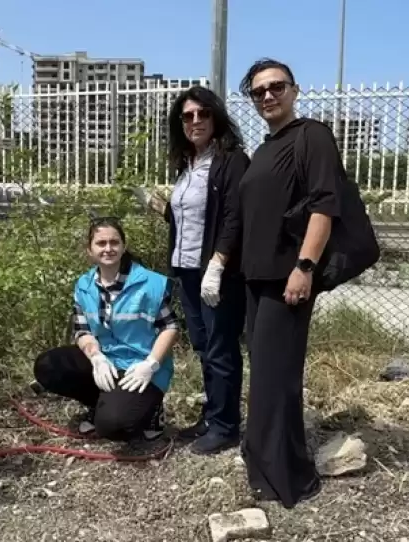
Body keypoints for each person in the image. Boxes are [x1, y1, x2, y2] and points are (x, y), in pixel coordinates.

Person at [237, 58, 344, 508]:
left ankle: (288, 475)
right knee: (264, 375)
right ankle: (261, 460)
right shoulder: (264, 148)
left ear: (294, 90)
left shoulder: (311, 135)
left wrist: (305, 266)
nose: (267, 96)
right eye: (258, 91)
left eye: (275, 87)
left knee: (277, 377)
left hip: (288, 279)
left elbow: (325, 205)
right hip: (255, 281)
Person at [127, 86, 249, 455]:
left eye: (202, 114)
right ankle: (212, 416)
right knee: (203, 347)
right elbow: (190, 219)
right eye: (187, 116)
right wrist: (160, 205)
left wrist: (219, 263)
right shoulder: (188, 164)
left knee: (221, 348)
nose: (195, 121)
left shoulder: (230, 161)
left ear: (216, 117)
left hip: (216, 272)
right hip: (186, 269)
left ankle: (227, 426)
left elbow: (233, 217)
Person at [32, 217, 181, 441]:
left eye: (114, 242)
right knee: (48, 366)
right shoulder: (84, 285)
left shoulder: (150, 284)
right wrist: (96, 358)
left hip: (140, 367)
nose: (108, 249)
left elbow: (170, 328)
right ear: (89, 250)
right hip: (108, 361)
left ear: (123, 246)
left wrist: (151, 364)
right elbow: (82, 330)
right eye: (101, 243)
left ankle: (153, 411)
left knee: (114, 427)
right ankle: (99, 402)